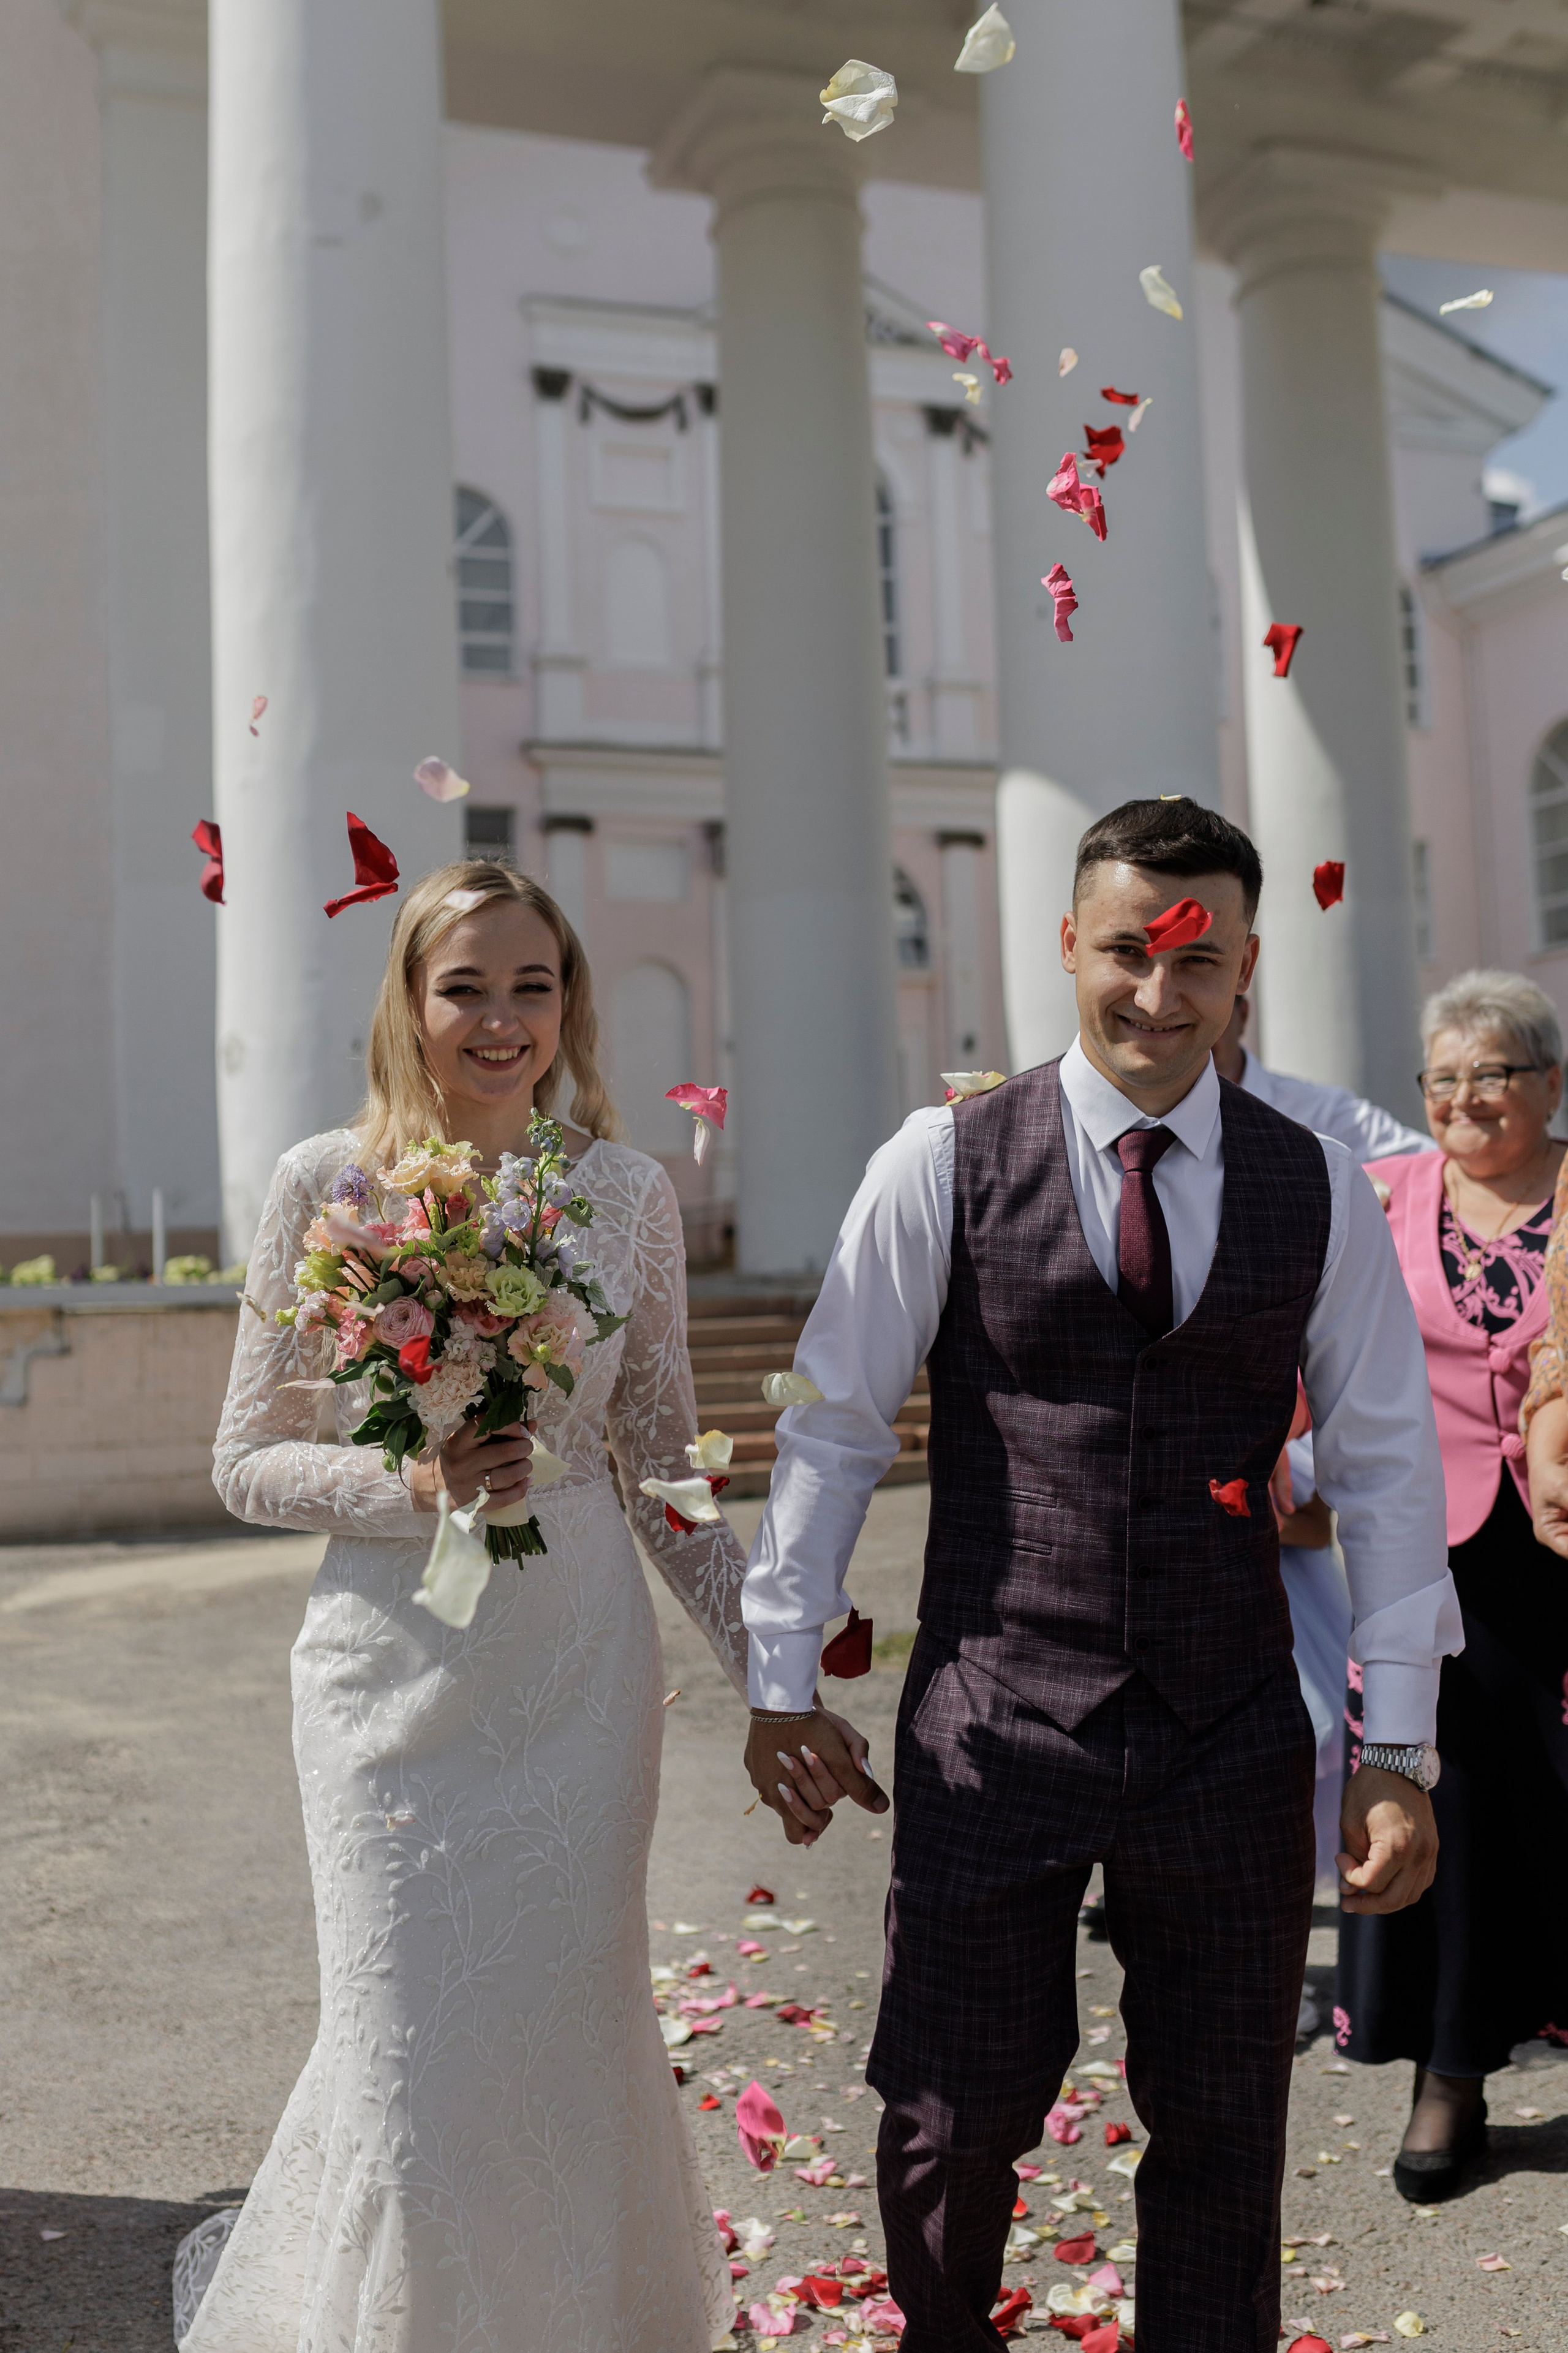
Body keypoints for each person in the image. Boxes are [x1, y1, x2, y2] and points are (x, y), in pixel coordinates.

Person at [739, 798, 1458, 2353]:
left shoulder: (1317, 1184)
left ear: (1244, 967)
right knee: (946, 2112)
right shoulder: (940, 1159)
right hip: (994, 1720)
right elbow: (834, 1420)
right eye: (1126, 947)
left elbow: (1391, 1466)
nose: (1156, 988)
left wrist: (1393, 1748)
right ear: (1066, 944)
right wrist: (777, 1673)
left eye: (1194, 957)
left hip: (1225, 1733)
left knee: (1219, 2132)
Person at [180, 862, 769, 2353]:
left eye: (532, 983)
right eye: (465, 986)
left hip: (572, 1666)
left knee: (564, 2039)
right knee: (406, 2052)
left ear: (569, 999)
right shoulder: (328, 1181)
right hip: (388, 1674)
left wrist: (776, 1671)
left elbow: (661, 1467)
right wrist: (415, 1484)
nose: (501, 1019)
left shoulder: (627, 1191)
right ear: (408, 1002)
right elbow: (244, 1458)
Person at [1337, 969, 1568, 2200]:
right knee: (1455, 1801)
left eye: (1490, 1072)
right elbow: (1310, 1337)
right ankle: (1450, 2069)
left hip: (1562, 1542)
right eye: (1440, 1077)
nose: (1463, 1097)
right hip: (1430, 1552)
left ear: (1547, 1081)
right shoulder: (1379, 1196)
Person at [1213, 989, 1435, 1158]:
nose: (1198, 1034)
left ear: (1242, 1016)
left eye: (1213, 1011)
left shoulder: (1319, 1113)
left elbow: (1427, 1157)